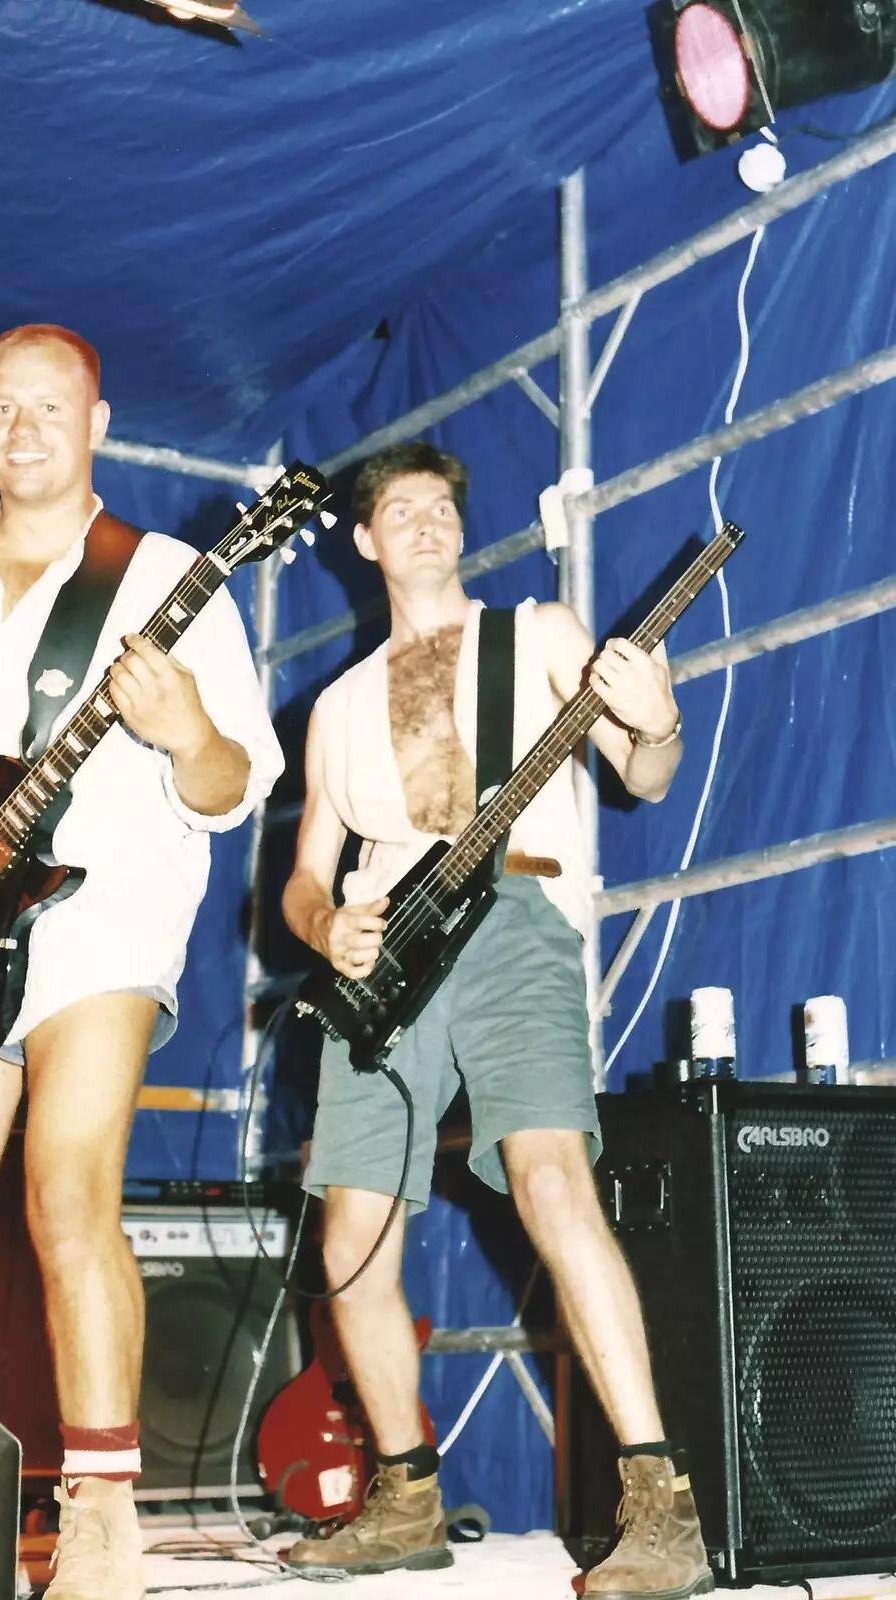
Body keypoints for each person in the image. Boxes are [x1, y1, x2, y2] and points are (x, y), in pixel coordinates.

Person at [0, 325, 283, 1600]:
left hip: (104, 921)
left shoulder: (167, 574)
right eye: (1, 407)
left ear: (98, 425)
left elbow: (227, 786)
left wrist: (185, 723)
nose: (24, 427)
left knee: (67, 1191)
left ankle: (99, 1518)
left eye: (51, 407)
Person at [281, 441, 712, 1598]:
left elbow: (646, 773)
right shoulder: (332, 705)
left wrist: (655, 715)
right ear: (364, 541)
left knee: (549, 1179)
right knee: (347, 1231)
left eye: (438, 505)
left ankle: (658, 1500)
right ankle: (404, 1489)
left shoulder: (544, 635)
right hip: (380, 940)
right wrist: (326, 930)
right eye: (397, 509)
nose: (422, 521)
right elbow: (303, 875)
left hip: (514, 912)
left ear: (458, 530)